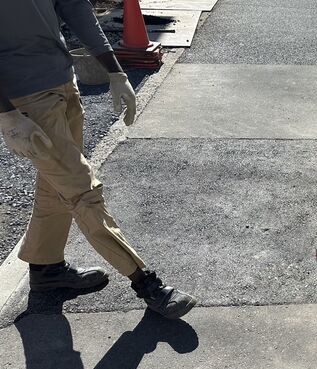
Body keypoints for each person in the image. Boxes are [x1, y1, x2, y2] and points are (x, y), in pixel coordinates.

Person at [0, 0, 196, 319]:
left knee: (55, 188)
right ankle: (147, 283)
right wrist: (7, 114)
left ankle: (46, 270)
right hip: (26, 101)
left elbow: (74, 7)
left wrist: (115, 71)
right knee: (82, 190)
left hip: (64, 82)